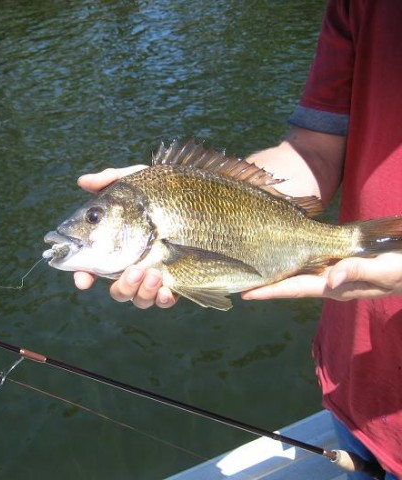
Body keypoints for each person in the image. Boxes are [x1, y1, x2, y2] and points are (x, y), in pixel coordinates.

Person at [73, 1, 402, 478]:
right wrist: (206, 192)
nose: (84, 227)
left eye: (95, 218)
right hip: (356, 389)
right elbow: (313, 149)